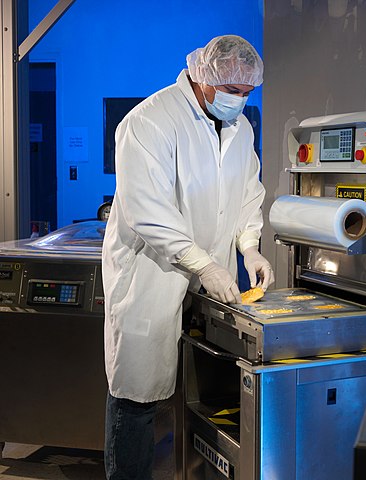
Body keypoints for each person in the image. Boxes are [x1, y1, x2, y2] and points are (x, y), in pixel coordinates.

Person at [101, 35, 274, 479]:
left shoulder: (240, 129)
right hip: (150, 277)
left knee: (199, 385)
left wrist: (249, 245)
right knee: (135, 397)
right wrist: (204, 264)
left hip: (204, 282)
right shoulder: (150, 122)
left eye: (247, 92)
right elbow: (149, 213)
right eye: (232, 90)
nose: (240, 100)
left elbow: (246, 194)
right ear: (203, 76)